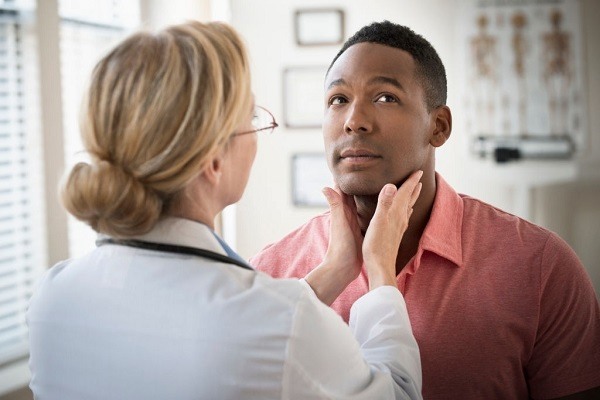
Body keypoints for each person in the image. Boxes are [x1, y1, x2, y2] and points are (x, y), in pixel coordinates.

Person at [26, 21, 425, 399]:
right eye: (251, 119)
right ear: (213, 161)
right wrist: (380, 272)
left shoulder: (53, 295)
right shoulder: (279, 321)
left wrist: (334, 272)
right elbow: (400, 391)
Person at [251, 20, 600, 400]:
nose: (354, 121)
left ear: (439, 126)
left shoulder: (540, 267)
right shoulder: (270, 274)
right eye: (338, 99)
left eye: (385, 97)